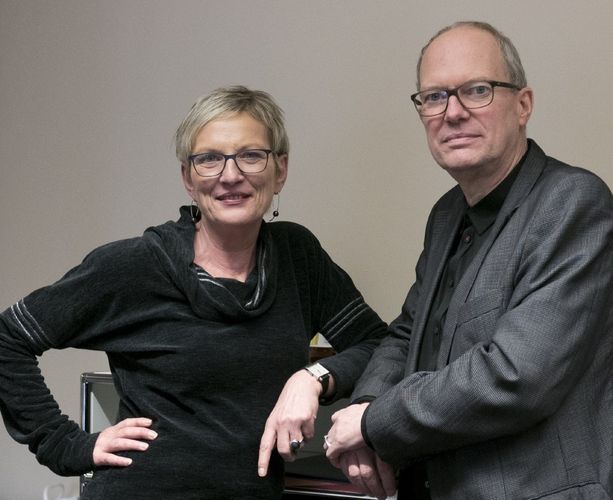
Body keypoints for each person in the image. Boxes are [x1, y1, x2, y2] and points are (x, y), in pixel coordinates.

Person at [0, 86, 388, 499]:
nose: (231, 175)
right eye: (209, 159)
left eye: (251, 155)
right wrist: (65, 445)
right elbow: (9, 338)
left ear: (281, 170)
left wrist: (311, 379)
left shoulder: (297, 258)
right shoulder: (137, 264)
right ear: (188, 178)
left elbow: (376, 343)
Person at [324, 21, 613, 500]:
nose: (452, 112)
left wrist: (374, 423)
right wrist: (367, 405)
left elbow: (517, 376)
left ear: (523, 105)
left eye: (477, 90)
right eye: (434, 97)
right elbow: (405, 333)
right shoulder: (447, 214)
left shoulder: (574, 202)